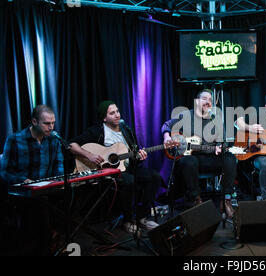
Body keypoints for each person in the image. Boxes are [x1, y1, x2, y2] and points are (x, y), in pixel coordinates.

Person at [69, 100, 162, 233]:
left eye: (117, 111)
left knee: (155, 177)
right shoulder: (97, 131)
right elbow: (72, 145)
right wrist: (89, 155)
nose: (117, 115)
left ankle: (142, 217)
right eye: (112, 113)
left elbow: (132, 157)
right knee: (128, 181)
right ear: (104, 118)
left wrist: (139, 157)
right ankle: (128, 220)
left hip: (126, 168)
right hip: (108, 171)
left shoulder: (126, 130)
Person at [161, 89, 237, 218]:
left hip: (211, 157)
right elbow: (166, 125)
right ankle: (197, 200)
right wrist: (167, 137)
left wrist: (220, 148)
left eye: (210, 100)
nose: (208, 102)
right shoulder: (185, 115)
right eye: (204, 99)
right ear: (197, 101)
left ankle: (226, 200)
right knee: (189, 161)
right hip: (193, 159)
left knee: (230, 158)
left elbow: (222, 142)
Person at [0, 104, 63, 255]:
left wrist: (59, 181)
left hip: (47, 190)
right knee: (38, 211)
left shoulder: (53, 140)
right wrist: (23, 180)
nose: (51, 127)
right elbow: (5, 171)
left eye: (53, 123)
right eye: (47, 123)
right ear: (34, 122)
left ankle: (54, 239)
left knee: (73, 196)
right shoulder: (14, 140)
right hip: (23, 192)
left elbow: (59, 164)